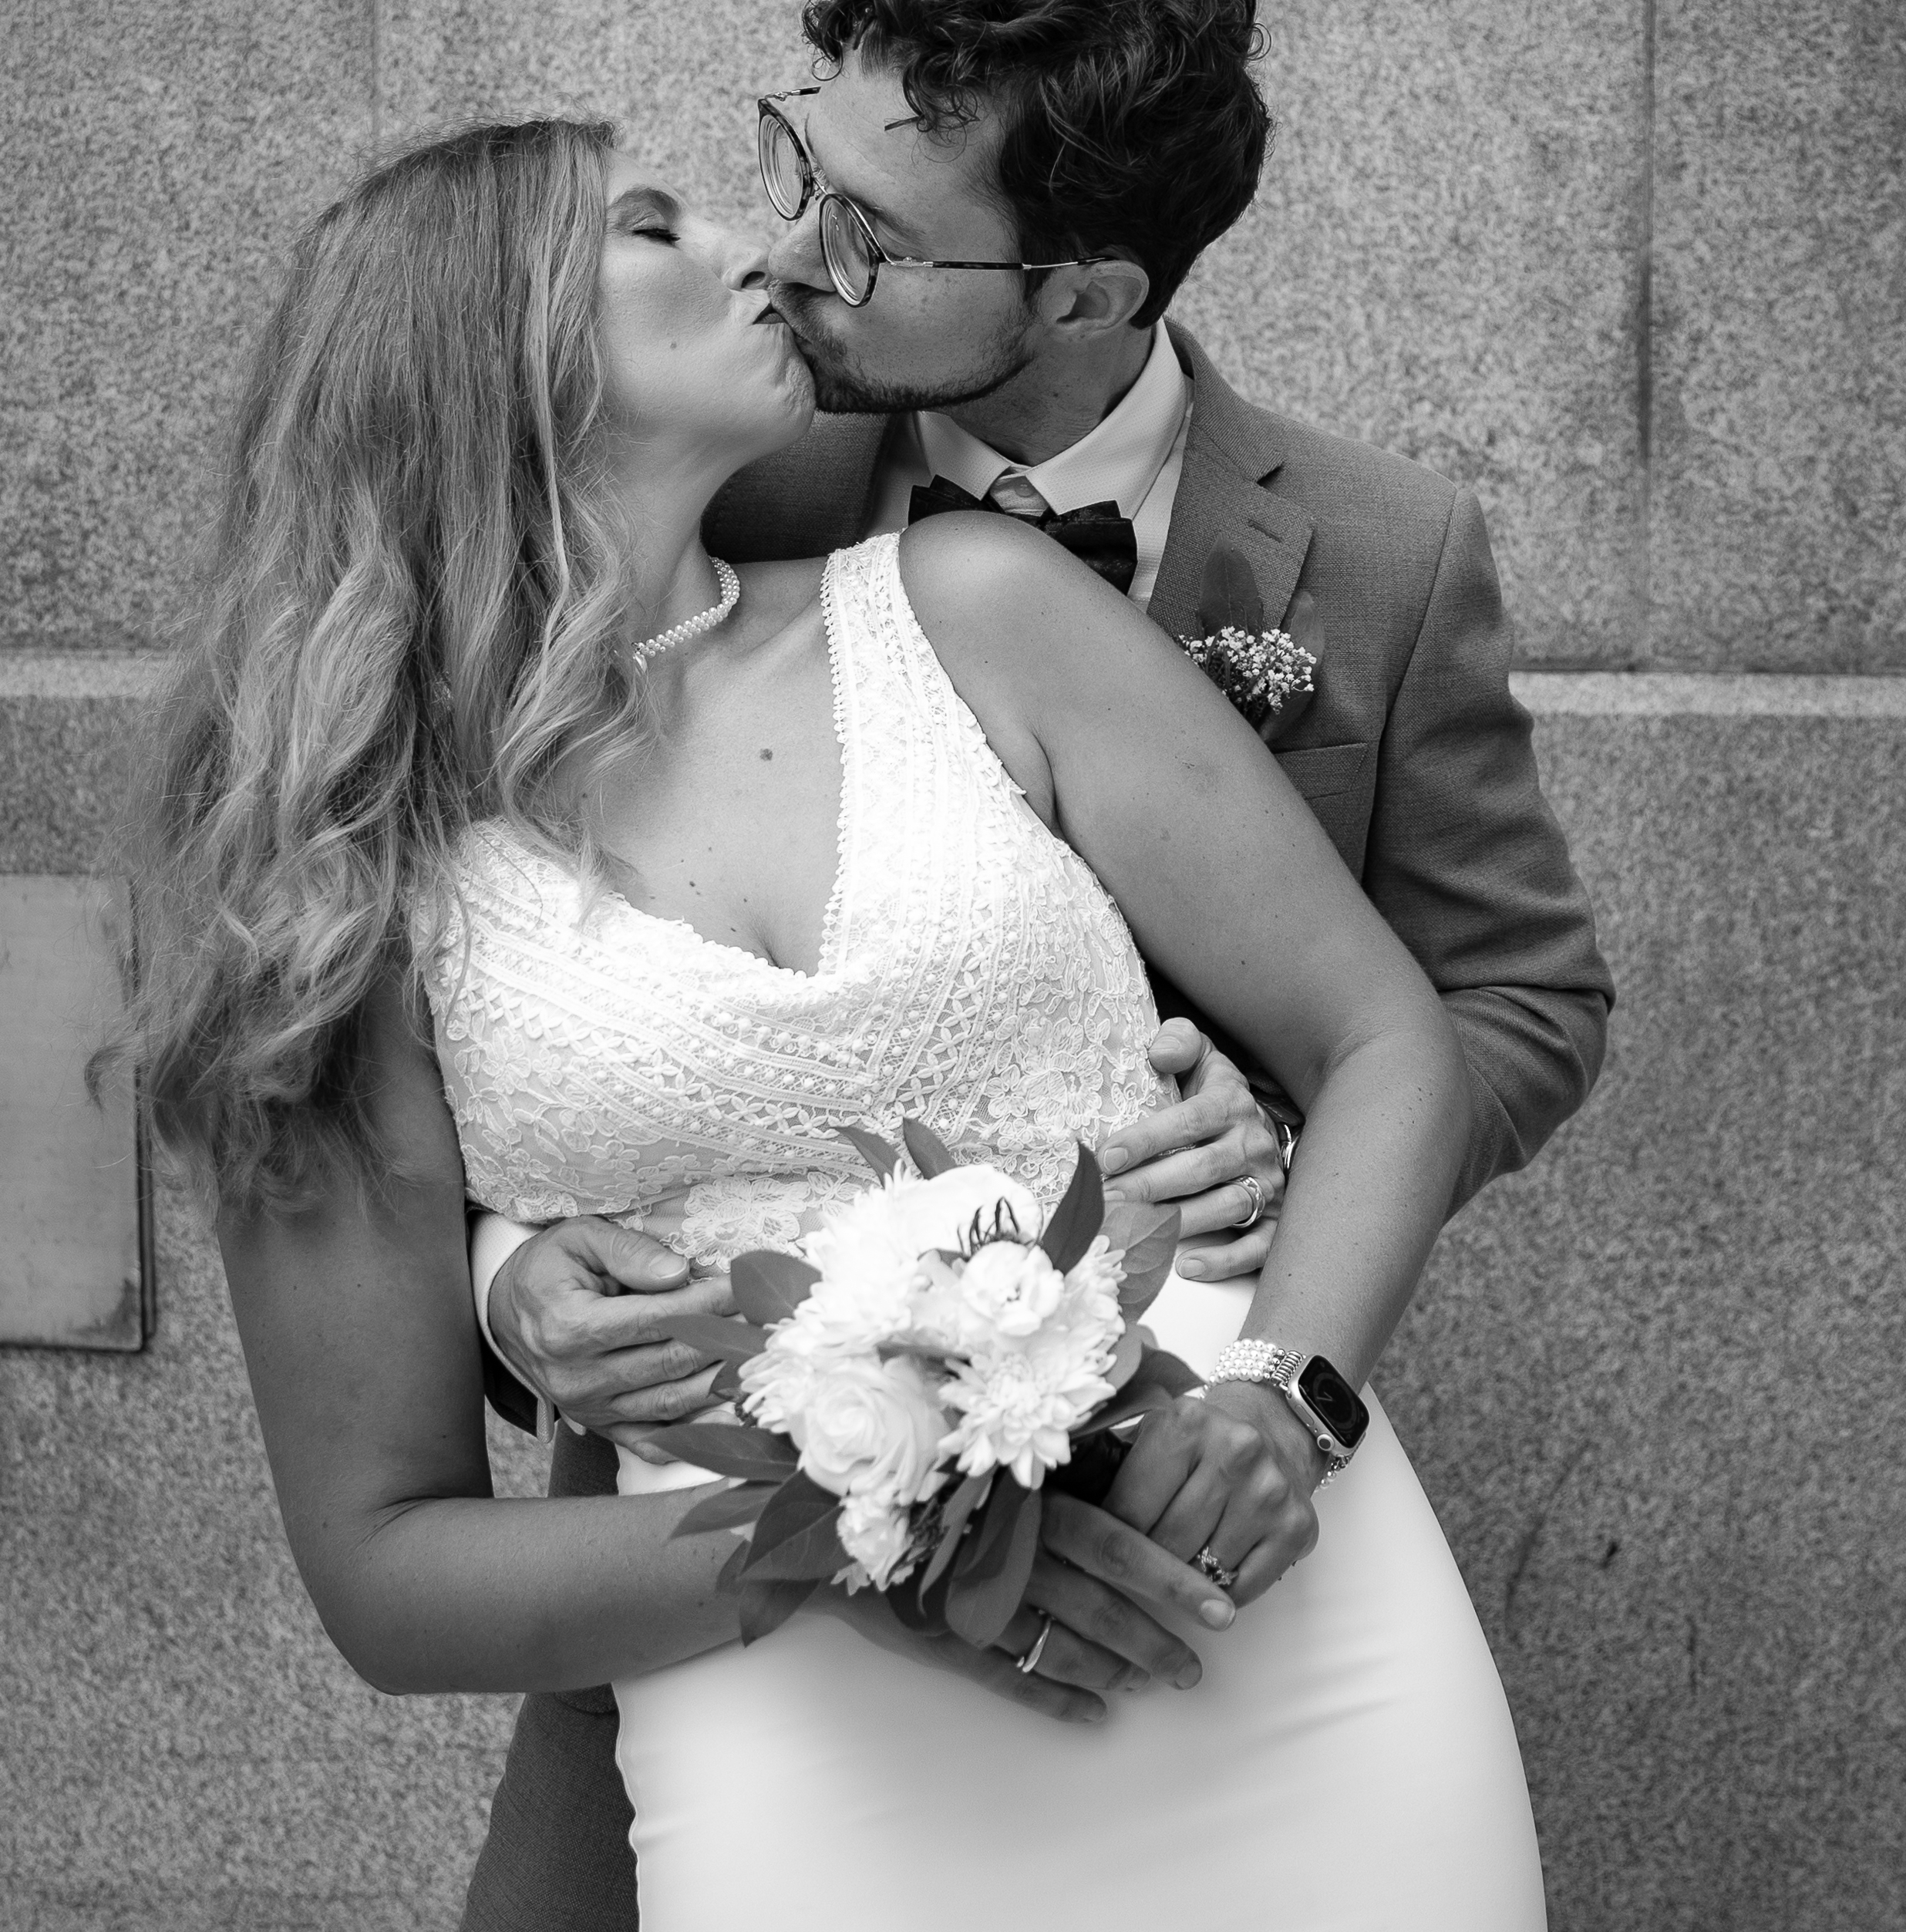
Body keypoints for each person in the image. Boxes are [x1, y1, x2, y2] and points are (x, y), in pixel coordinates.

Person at [121, 108, 1549, 1932]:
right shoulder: (333, 882)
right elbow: (390, 1577)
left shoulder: (981, 611)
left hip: (1267, 1593)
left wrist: (1289, 1402)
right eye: (655, 224)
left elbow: (1391, 1034)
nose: (761, 249)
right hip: (795, 1709)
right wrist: (873, 1536)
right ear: (483, 354)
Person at [465, 0, 1608, 1929]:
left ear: (1083, 293)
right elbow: (504, 962)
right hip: (752, 1553)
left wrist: (1277, 1138)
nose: (791, 254)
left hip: (1184, 1475)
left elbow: (1515, 999)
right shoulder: (717, 476)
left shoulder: (1382, 551)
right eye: (799, 167)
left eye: (872, 235)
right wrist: (503, 1266)